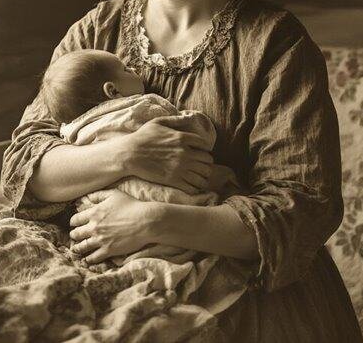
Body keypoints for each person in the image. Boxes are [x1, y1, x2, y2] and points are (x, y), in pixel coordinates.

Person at [0, 0, 363, 340]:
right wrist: (128, 155)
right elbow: (24, 167)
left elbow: (300, 210)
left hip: (246, 296)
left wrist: (151, 220)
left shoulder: (274, 42)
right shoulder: (95, 32)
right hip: (114, 274)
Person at [40, 48, 239, 268]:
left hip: (101, 220)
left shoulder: (73, 132)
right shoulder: (139, 108)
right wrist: (200, 123)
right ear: (113, 91)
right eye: (126, 69)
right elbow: (197, 135)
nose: (134, 69)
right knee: (218, 187)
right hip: (153, 198)